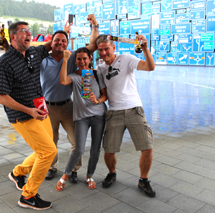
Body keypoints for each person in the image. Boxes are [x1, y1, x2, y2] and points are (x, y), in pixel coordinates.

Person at [0, 21, 56, 210]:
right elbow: (2, 97)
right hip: (23, 115)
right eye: (23, 31)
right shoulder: (2, 64)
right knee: (48, 152)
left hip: (40, 110)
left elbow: (48, 46)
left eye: (29, 31)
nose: (29, 34)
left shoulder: (33, 53)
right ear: (12, 37)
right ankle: (28, 196)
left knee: (44, 149)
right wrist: (29, 110)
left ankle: (18, 173)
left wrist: (63, 35)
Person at [40, 14, 99, 182]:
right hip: (48, 107)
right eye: (56, 40)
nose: (60, 43)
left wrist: (94, 26)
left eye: (63, 41)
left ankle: (74, 169)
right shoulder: (43, 60)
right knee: (51, 141)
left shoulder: (72, 57)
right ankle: (52, 167)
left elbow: (92, 46)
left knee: (76, 140)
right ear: (50, 43)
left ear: (68, 43)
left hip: (67, 107)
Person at [95, 34, 156, 197]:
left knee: (147, 147)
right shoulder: (100, 68)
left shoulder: (126, 59)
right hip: (114, 112)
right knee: (108, 150)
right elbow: (101, 91)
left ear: (113, 47)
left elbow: (150, 67)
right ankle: (112, 173)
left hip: (134, 108)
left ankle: (144, 180)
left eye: (107, 49)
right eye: (100, 50)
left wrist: (145, 49)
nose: (103, 53)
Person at [56, 47, 107, 191]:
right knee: (78, 149)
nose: (82, 61)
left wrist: (97, 100)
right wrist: (66, 59)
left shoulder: (97, 74)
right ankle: (65, 175)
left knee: (95, 150)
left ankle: (89, 175)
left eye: (85, 58)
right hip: (81, 117)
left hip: (98, 116)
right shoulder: (74, 76)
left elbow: (105, 95)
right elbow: (63, 81)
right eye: (79, 59)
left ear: (90, 58)